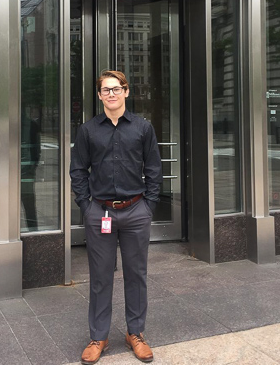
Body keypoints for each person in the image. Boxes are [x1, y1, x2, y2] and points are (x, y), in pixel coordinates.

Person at [70, 70, 162, 364]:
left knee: (137, 274)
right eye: (105, 90)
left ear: (126, 91)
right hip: (101, 212)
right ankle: (98, 335)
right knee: (100, 278)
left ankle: (135, 333)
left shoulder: (143, 128)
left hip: (136, 210)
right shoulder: (88, 130)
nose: (111, 94)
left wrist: (149, 205)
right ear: (99, 96)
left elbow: (154, 169)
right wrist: (87, 206)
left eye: (116, 88)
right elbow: (78, 171)